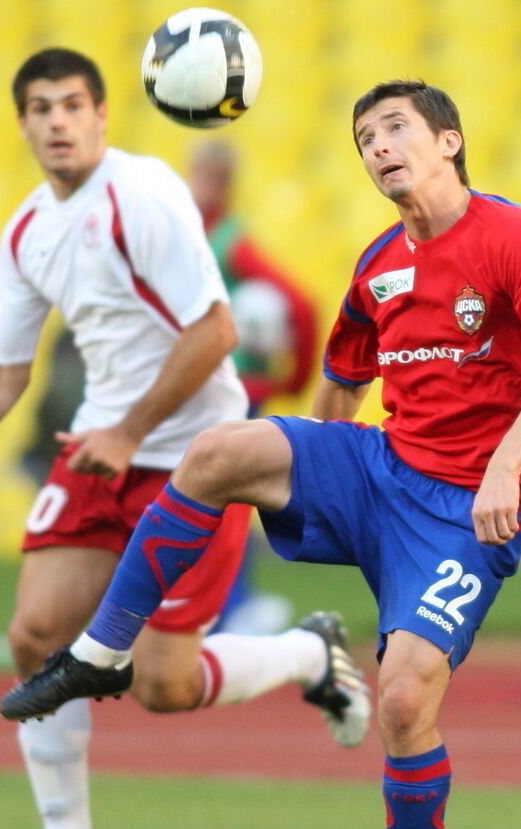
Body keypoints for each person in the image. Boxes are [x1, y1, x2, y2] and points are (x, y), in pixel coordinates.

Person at [0, 79, 521, 829]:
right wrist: (315, 471)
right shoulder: (379, 264)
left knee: (403, 699)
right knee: (217, 452)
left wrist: (508, 465)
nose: (377, 148)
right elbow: (342, 378)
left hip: (460, 510)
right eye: (365, 137)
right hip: (378, 469)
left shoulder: (513, 235)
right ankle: (100, 652)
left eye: (395, 129)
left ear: (449, 141)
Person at [0, 49, 369, 829]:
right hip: (102, 451)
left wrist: (129, 428)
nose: (57, 121)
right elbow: (9, 368)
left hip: (197, 458)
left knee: (163, 685)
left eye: (72, 104)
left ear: (103, 114)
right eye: (39, 108)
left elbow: (217, 332)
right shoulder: (25, 231)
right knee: (36, 635)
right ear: (23, 126)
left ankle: (307, 654)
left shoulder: (144, 193)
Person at [189, 140, 320, 634]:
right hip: (202, 385)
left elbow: (302, 306)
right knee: (208, 493)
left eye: (209, 174)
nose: (202, 182)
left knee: (226, 495)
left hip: (232, 387)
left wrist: (294, 378)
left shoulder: (227, 240)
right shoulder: (196, 236)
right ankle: (214, 604)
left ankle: (234, 606)